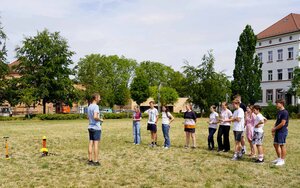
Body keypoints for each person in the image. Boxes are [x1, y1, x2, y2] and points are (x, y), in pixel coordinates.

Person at [87, 93, 103, 166]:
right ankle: (96, 161)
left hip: (90, 127)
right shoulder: (96, 106)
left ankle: (90, 160)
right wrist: (100, 120)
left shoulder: (89, 106)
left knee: (90, 143)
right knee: (96, 144)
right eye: (99, 98)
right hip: (96, 128)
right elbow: (95, 117)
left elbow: (88, 117)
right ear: (95, 98)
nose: (100, 99)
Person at [272, 99, 289, 166]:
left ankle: (282, 160)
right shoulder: (279, 112)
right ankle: (279, 158)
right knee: (275, 144)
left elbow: (283, 123)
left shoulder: (285, 112)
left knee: (282, 145)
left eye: (277, 103)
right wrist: (274, 129)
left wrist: (275, 128)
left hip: (282, 131)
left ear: (281, 104)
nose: (276, 104)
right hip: (277, 131)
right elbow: (277, 121)